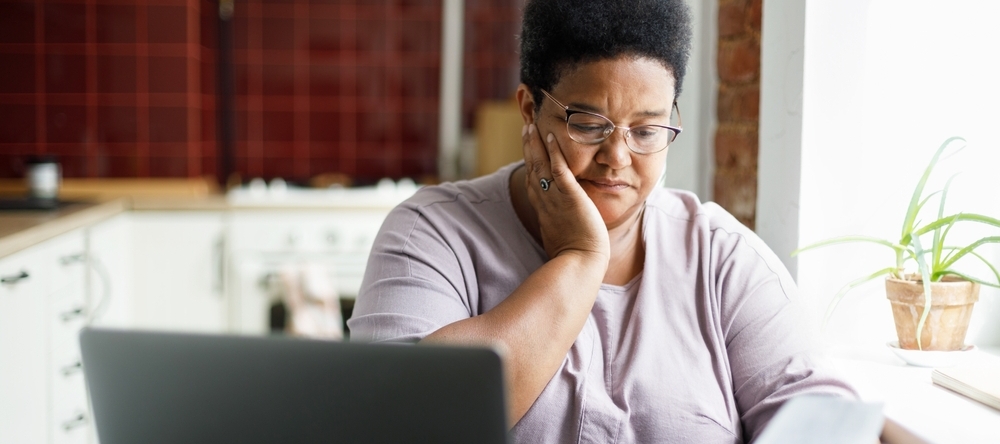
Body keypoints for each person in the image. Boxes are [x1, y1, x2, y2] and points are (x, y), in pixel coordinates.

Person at [348, 0, 857, 442]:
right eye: (589, 124)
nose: (618, 156)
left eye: (648, 129)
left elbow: (826, 420)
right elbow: (404, 423)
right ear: (530, 111)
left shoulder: (720, 259)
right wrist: (580, 260)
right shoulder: (431, 234)